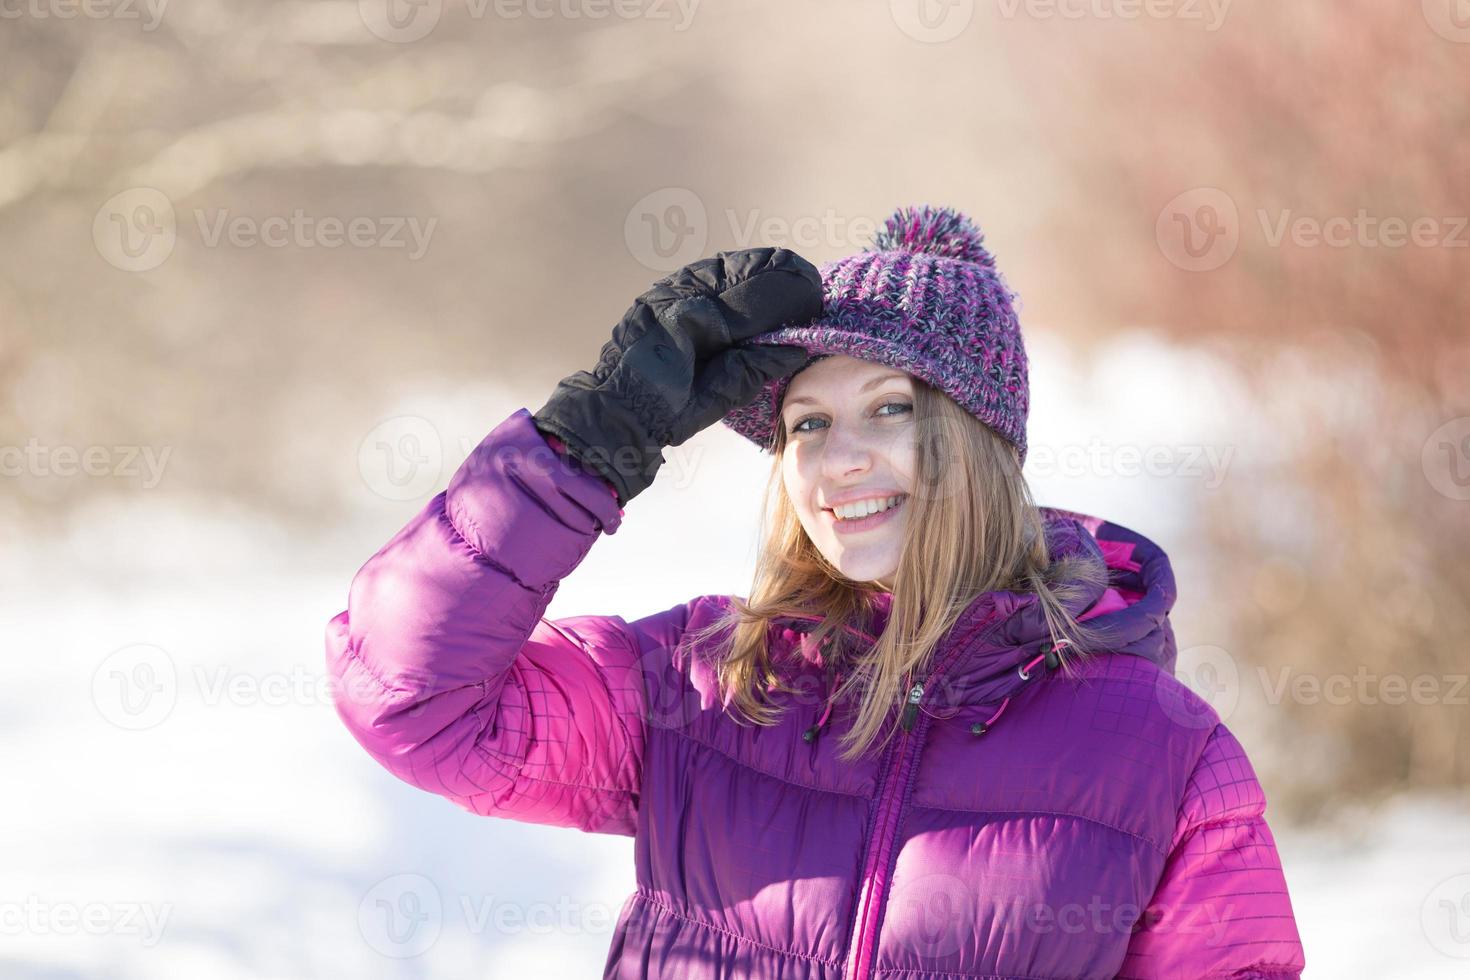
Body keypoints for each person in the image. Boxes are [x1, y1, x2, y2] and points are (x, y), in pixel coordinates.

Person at [324, 204, 1306, 979]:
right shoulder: (705, 679)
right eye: (806, 422)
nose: (841, 459)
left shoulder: (1165, 752)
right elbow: (411, 695)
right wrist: (586, 444)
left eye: (888, 407)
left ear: (983, 439)